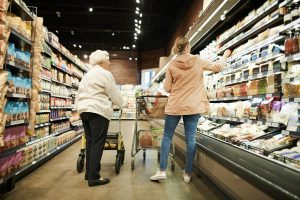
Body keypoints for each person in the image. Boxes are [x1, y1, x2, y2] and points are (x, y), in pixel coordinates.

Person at [150, 36, 231, 183]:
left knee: (167, 136)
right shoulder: (197, 61)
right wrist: (225, 55)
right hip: (193, 106)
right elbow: (218, 67)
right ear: (187, 46)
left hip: (175, 105)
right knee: (191, 140)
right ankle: (187, 173)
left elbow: (167, 88)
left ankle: (162, 171)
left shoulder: (171, 65)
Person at [76, 50, 124, 187]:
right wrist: (122, 104)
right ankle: (94, 177)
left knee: (90, 142)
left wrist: (78, 109)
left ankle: (89, 174)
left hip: (84, 110)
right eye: (108, 60)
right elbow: (113, 93)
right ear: (102, 61)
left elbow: (78, 93)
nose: (109, 63)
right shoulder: (105, 74)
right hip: (98, 110)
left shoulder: (87, 75)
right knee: (97, 143)